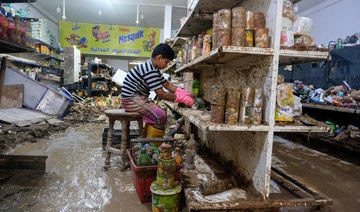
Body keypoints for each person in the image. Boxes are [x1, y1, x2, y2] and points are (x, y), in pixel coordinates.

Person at [121, 43, 194, 138]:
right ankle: (152, 146)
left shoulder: (153, 68)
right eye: (166, 62)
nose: (166, 65)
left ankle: (146, 140)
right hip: (130, 100)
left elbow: (167, 84)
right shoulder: (150, 70)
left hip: (136, 98)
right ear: (159, 58)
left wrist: (185, 93)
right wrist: (183, 99)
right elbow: (161, 94)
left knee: (158, 113)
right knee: (161, 115)